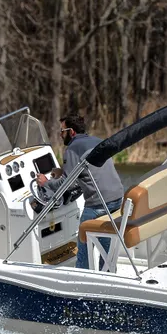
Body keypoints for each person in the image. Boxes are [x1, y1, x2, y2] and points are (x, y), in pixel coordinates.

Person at [37, 114, 124, 269]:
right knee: (106, 240)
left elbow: (67, 185)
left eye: (62, 131)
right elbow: (87, 170)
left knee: (83, 243)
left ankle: (82, 277)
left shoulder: (72, 148)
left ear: (72, 132)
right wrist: (62, 171)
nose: (60, 134)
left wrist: (46, 182)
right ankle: (109, 271)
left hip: (99, 204)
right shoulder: (96, 141)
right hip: (117, 198)